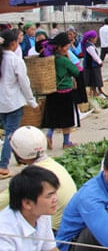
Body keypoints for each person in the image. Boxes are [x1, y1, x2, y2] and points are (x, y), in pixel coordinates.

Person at [0, 126, 76, 230]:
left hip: (54, 230)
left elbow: (2, 202)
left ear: (18, 153)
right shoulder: (54, 165)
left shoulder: (30, 178)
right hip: (68, 225)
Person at [0, 29, 39, 178]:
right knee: (10, 134)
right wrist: (32, 102)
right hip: (13, 103)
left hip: (2, 103)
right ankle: (3, 165)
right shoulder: (15, 60)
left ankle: (19, 157)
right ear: (13, 43)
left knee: (12, 132)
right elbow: (24, 83)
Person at [0, 165, 59, 251]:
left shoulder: (42, 214)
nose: (56, 199)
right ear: (27, 203)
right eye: (49, 196)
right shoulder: (4, 232)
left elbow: (51, 248)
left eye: (55, 193)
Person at [42, 33, 81, 150]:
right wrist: (69, 58)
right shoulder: (63, 60)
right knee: (67, 119)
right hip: (65, 92)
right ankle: (66, 142)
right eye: (66, 47)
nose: (67, 49)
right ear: (59, 47)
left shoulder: (49, 59)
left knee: (54, 117)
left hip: (52, 91)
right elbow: (77, 72)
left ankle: (49, 135)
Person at [80, 31, 105, 98]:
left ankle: (96, 92)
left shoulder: (90, 45)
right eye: (95, 38)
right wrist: (100, 62)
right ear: (91, 38)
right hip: (91, 66)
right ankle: (94, 92)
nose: (96, 39)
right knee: (94, 80)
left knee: (94, 80)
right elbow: (94, 56)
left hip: (91, 65)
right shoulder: (89, 47)